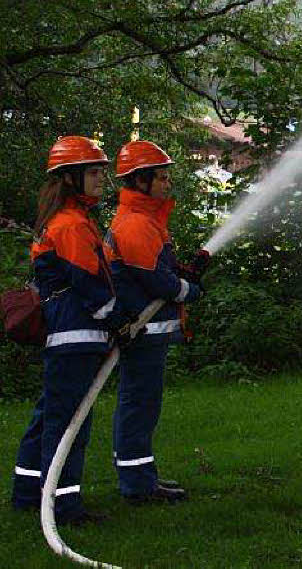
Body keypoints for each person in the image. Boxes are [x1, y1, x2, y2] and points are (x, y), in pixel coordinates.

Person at [11, 136, 119, 526]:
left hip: (70, 336)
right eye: (93, 173)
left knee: (49, 417)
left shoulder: (67, 220)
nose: (101, 180)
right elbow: (89, 284)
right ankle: (64, 505)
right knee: (69, 423)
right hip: (77, 336)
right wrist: (116, 320)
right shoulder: (71, 225)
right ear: (70, 178)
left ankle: (27, 493)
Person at [105, 140, 203, 504]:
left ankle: (138, 478)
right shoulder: (135, 224)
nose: (167, 184)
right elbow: (155, 281)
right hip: (142, 331)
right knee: (139, 405)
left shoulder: (145, 221)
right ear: (140, 181)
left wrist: (183, 273)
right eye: (160, 178)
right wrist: (188, 289)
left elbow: (160, 270)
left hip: (147, 331)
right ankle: (138, 486)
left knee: (140, 404)